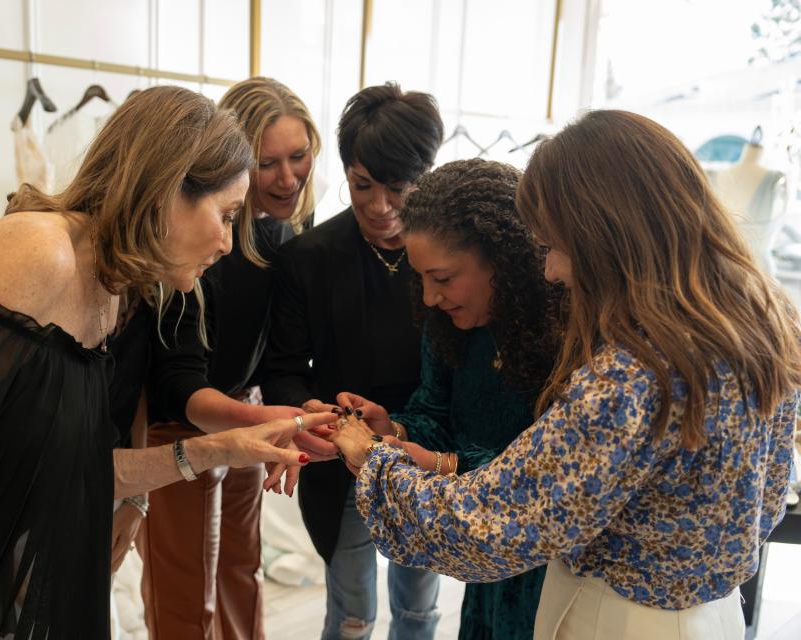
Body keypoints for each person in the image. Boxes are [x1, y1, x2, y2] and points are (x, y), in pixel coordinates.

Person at [0, 80, 335, 640]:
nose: (227, 243)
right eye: (224, 216)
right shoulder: (37, 254)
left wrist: (220, 448)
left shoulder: (109, 289)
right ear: (166, 191)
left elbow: (65, 469)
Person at [325, 109, 801, 640]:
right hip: (713, 615)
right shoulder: (767, 313)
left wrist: (374, 459)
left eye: (552, 246)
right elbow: (770, 499)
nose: (548, 269)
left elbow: (490, 525)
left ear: (604, 232)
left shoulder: (633, 371)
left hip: (618, 618)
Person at [336, 158, 562, 640]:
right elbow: (433, 410)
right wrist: (391, 431)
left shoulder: (567, 335)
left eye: (442, 278)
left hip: (550, 565)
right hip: (485, 568)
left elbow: (545, 477)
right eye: (420, 279)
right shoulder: (449, 325)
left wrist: (444, 464)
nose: (430, 297)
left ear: (502, 260)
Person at [140, 76, 328, 640]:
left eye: (298, 157)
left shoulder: (290, 229)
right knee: (185, 587)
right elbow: (177, 378)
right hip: (180, 419)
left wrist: (278, 416)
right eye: (268, 164)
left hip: (244, 403)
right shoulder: (199, 243)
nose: (288, 177)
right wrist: (269, 421)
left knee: (240, 569)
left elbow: (280, 353)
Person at [261, 82, 445, 639]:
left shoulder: (450, 256)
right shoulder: (309, 258)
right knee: (352, 614)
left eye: (398, 188)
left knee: (418, 607)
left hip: (424, 454)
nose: (380, 205)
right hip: (342, 460)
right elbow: (282, 368)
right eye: (362, 185)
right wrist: (308, 407)